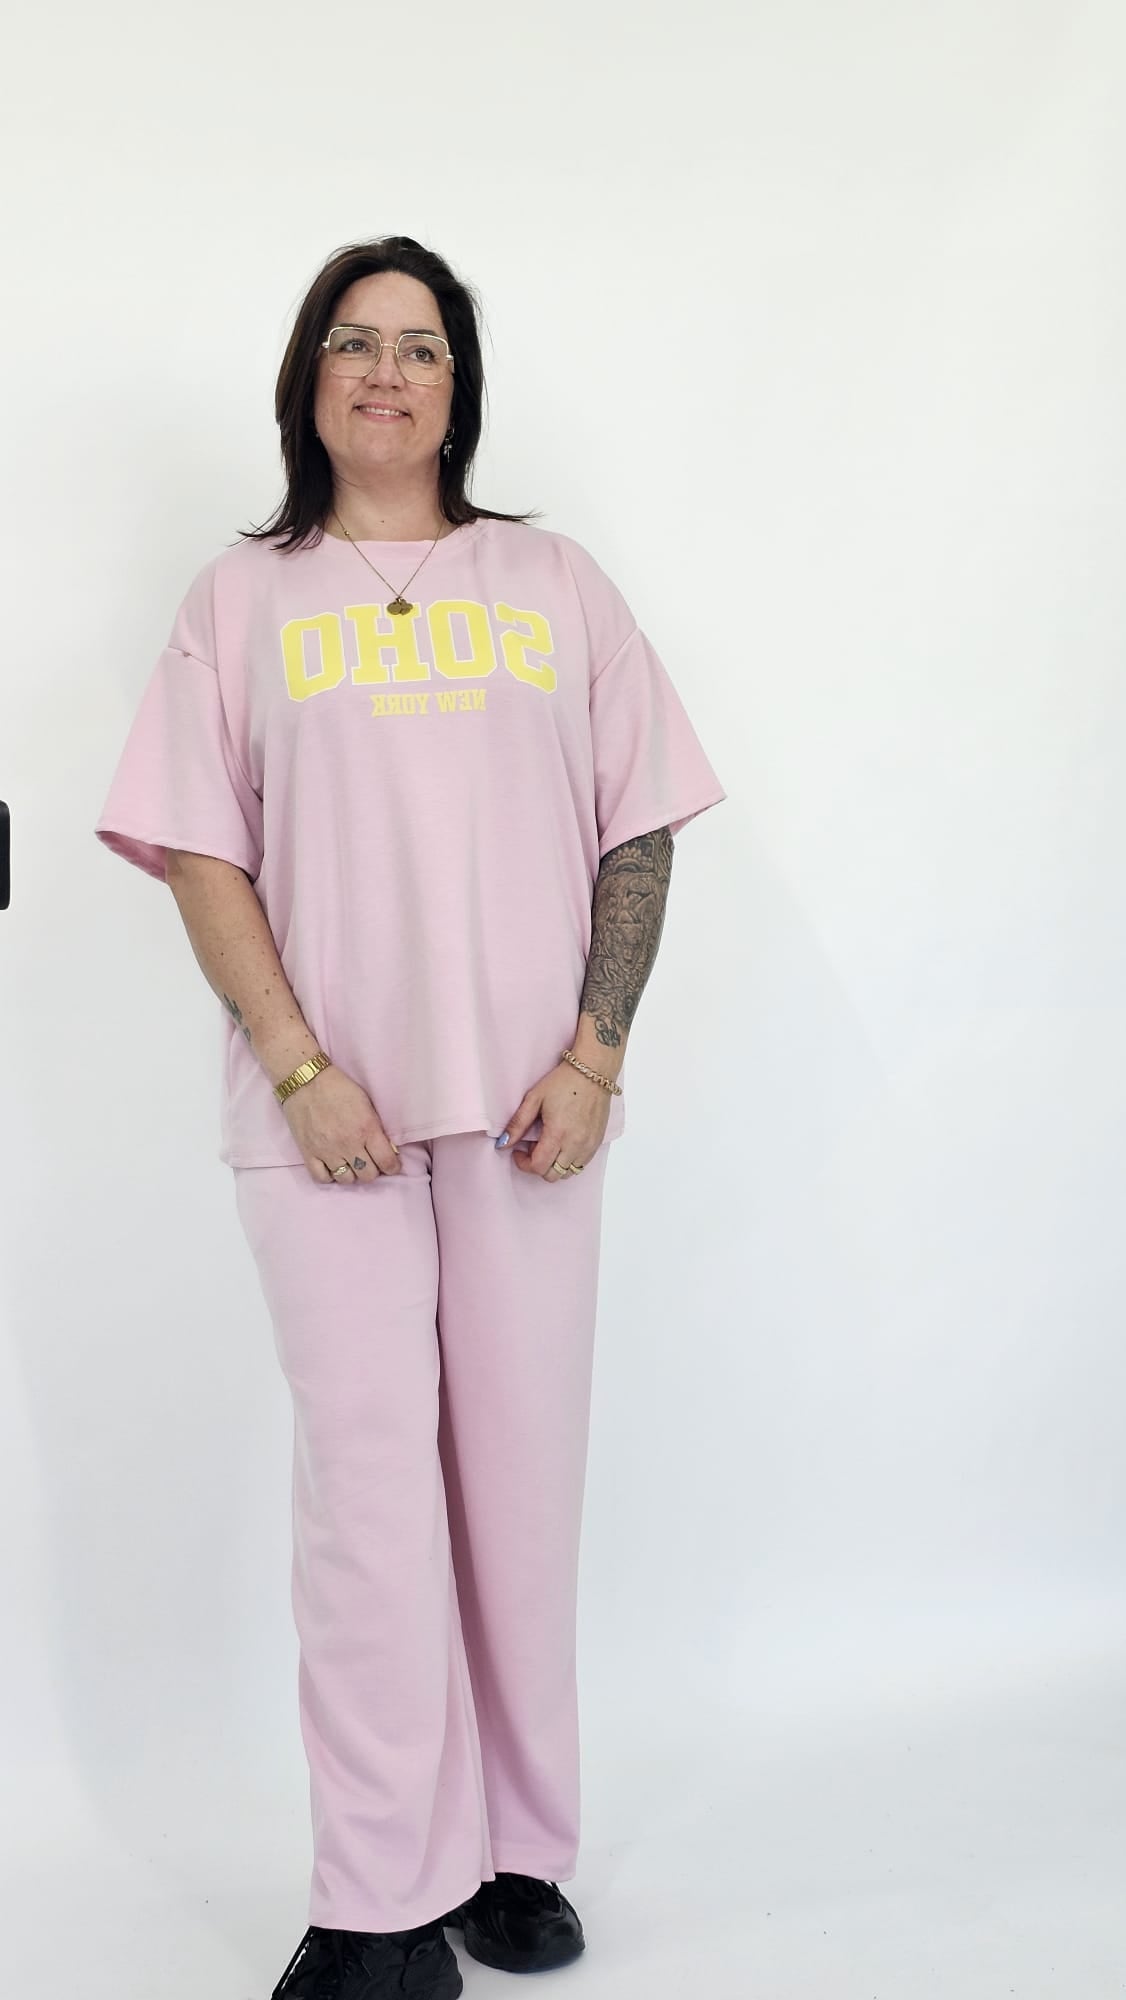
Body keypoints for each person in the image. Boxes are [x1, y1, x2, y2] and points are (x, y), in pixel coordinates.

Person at [93, 234, 727, 2000]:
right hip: (329, 1124)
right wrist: (302, 1066)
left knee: (518, 1485)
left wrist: (593, 1057)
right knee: (369, 1500)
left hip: (532, 1115)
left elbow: (637, 826)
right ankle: (382, 1902)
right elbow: (199, 851)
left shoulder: (553, 581)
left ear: (461, 388)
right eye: (357, 343)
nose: (389, 373)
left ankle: (516, 1854)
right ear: (308, 379)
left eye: (424, 347)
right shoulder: (241, 600)